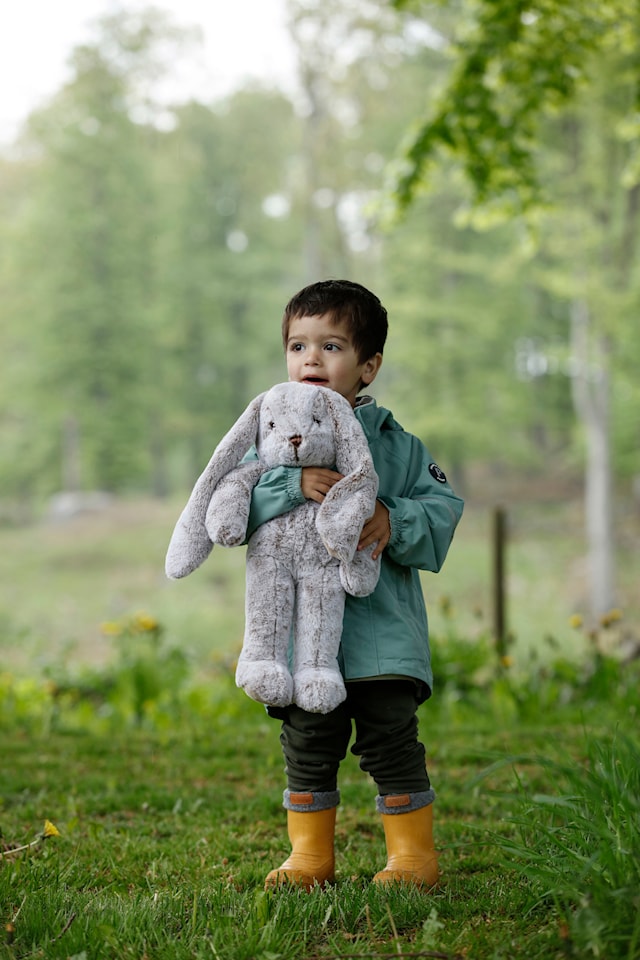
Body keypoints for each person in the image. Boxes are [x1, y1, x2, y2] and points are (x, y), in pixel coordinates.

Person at [245, 279, 464, 890]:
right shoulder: (270, 441)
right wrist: (291, 487)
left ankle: (413, 859)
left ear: (368, 366)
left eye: (332, 346)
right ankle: (310, 857)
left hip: (380, 637)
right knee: (308, 742)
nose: (311, 359)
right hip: (300, 641)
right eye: (297, 345)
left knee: (391, 740)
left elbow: (443, 507)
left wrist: (392, 517)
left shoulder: (398, 446)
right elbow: (231, 508)